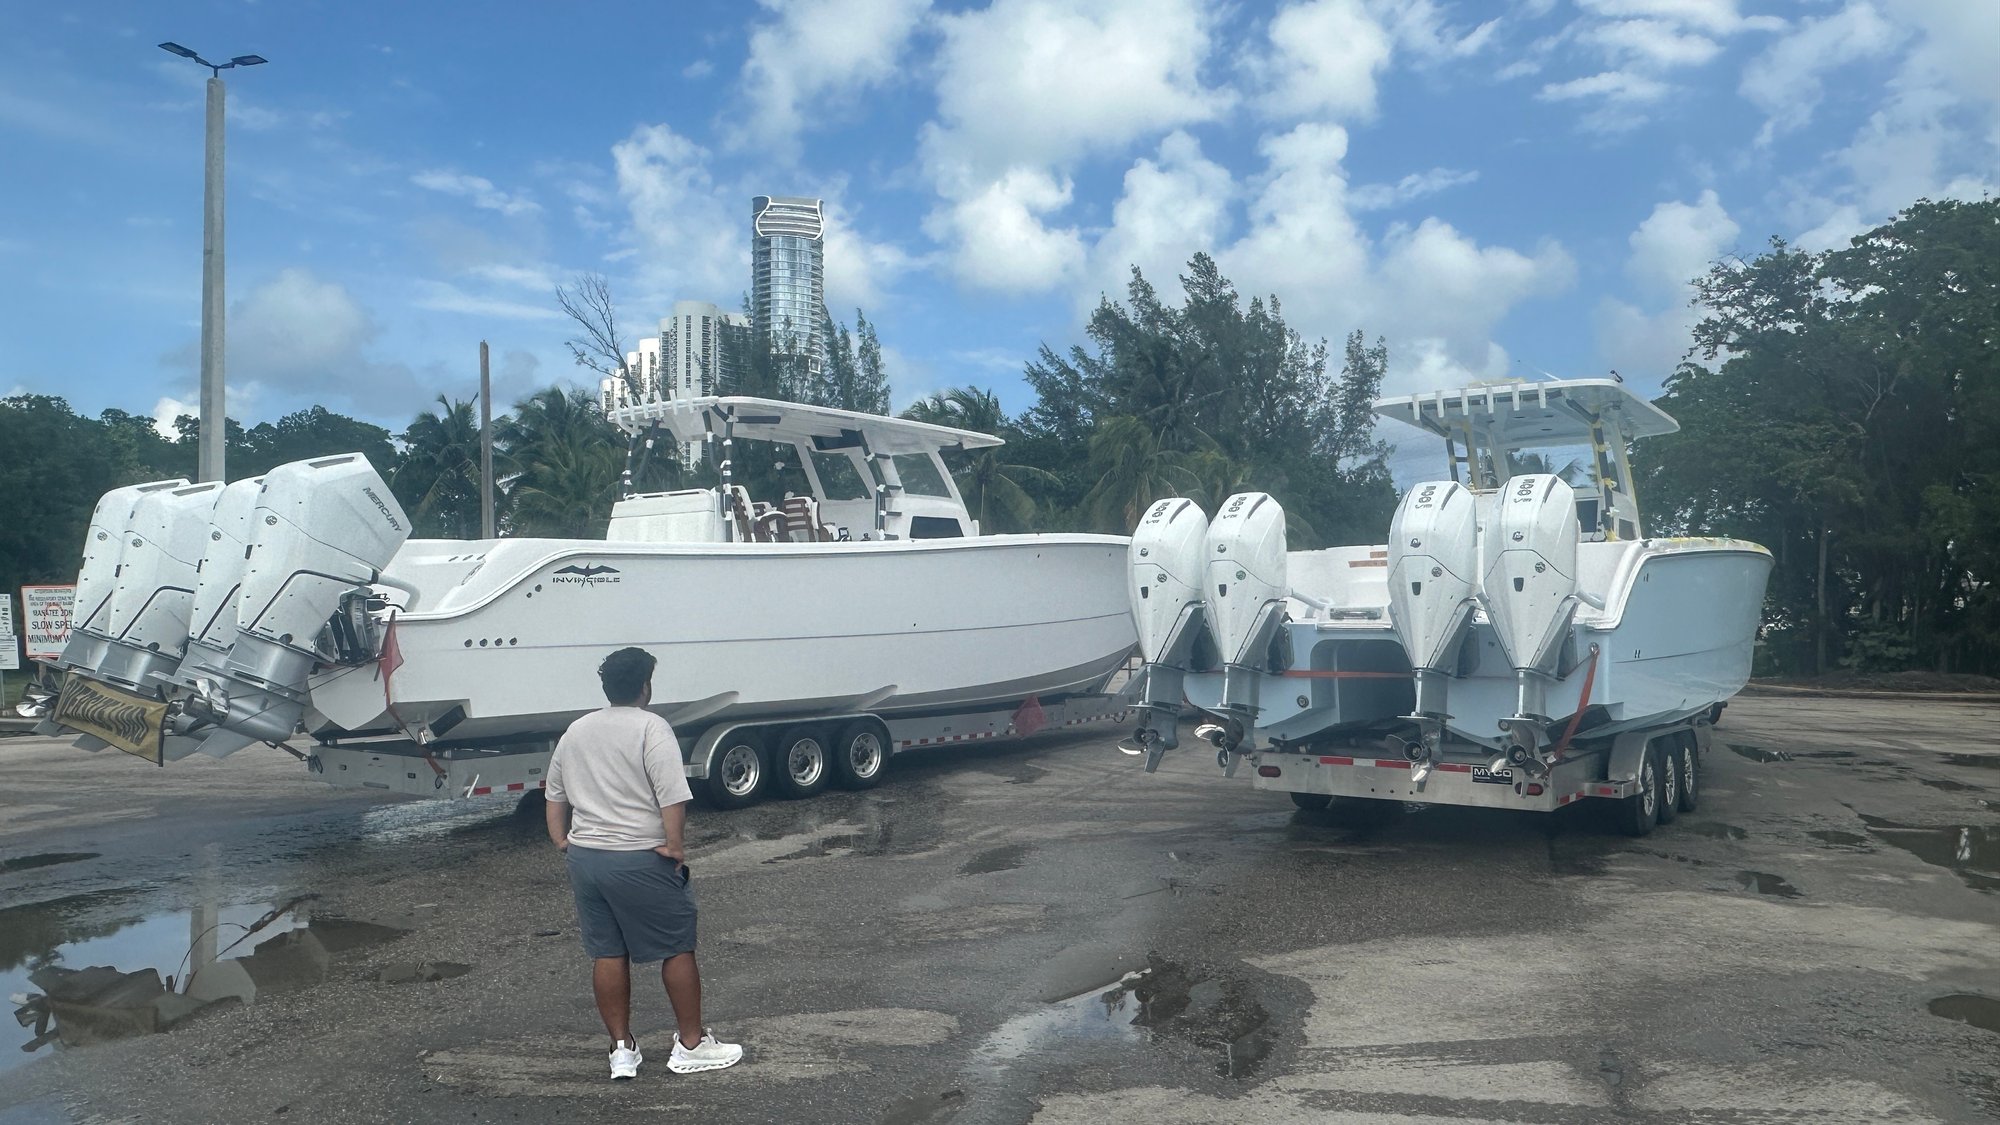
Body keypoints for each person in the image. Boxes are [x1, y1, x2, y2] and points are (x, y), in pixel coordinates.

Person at [545, 646, 743, 1080]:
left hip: (586, 859)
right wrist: (675, 847)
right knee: (676, 945)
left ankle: (622, 1049)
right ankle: (690, 1044)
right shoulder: (652, 727)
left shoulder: (576, 730)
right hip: (638, 856)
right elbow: (671, 793)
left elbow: (554, 793)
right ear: (645, 687)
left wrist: (562, 839)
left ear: (606, 687)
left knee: (608, 951)